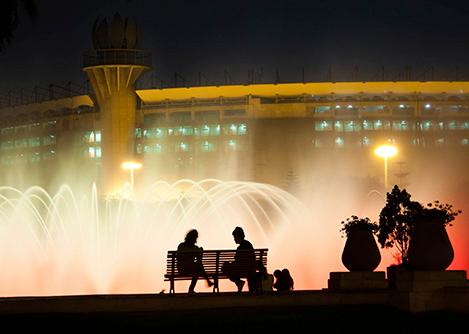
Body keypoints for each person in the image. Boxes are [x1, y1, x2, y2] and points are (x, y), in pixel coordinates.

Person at [176, 229, 213, 294]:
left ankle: (206, 282)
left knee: (197, 268)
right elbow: (199, 261)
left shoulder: (181, 245)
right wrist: (201, 253)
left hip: (181, 269)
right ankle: (194, 288)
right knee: (198, 267)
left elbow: (178, 258)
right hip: (189, 269)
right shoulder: (195, 248)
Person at [222, 226, 256, 293]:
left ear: (238, 236)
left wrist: (229, 263)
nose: (234, 239)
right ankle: (239, 283)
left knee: (225, 267)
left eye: (235, 237)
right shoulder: (249, 244)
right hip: (250, 268)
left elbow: (238, 260)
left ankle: (239, 282)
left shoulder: (240, 248)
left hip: (242, 269)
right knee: (227, 265)